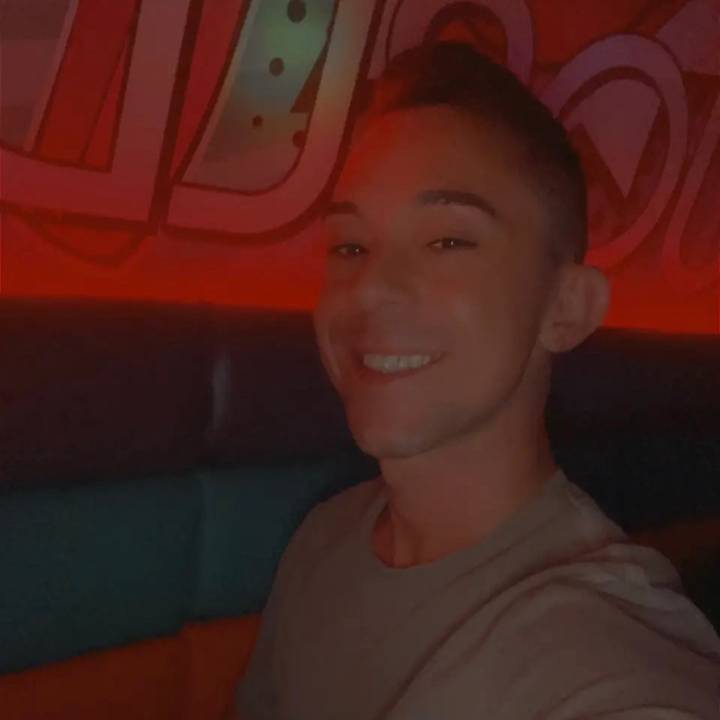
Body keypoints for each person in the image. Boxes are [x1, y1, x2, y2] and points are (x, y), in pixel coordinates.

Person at [234, 42, 720, 719]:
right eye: (349, 246)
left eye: (447, 241)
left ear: (566, 308)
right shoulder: (323, 537)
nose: (369, 288)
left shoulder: (604, 655)